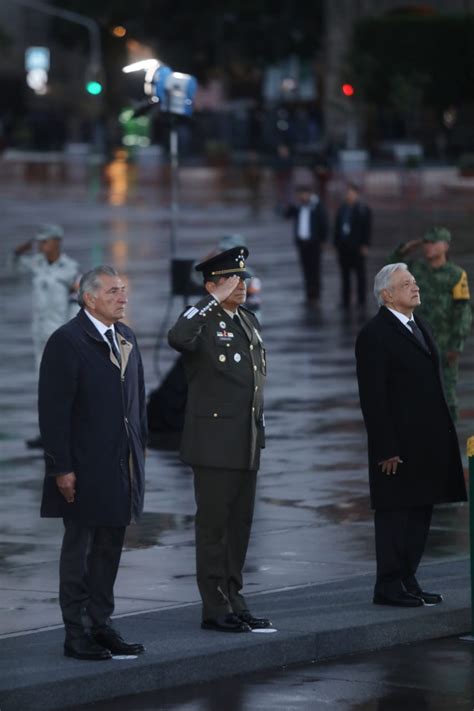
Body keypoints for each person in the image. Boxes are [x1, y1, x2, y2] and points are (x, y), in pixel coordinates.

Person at [38, 265, 147, 660]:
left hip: (120, 466)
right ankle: (76, 632)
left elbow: (137, 405)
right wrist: (60, 468)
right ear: (90, 298)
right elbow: (53, 413)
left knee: (109, 549)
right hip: (83, 469)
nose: (123, 297)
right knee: (80, 552)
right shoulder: (67, 341)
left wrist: (140, 451)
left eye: (123, 290)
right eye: (114, 291)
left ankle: (101, 625)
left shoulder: (126, 337)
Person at [168, 246, 271, 633]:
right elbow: (177, 337)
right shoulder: (202, 321)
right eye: (230, 280)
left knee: (240, 526)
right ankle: (215, 606)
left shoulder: (246, 320)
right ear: (212, 285)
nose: (240, 286)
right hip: (213, 443)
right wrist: (209, 301)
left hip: (245, 440)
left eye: (241, 279)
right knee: (213, 529)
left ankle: (234, 596)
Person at [355, 263, 467, 608]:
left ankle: (407, 578)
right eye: (407, 284)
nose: (415, 288)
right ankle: (388, 585)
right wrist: (386, 447)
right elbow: (373, 397)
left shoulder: (421, 326)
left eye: (414, 282)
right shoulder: (375, 334)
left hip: (427, 442)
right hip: (397, 446)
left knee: (420, 513)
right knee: (395, 514)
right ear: (387, 295)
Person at [388, 227, 472, 422]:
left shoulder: (456, 274)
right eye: (425, 243)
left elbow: (463, 313)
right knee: (415, 395)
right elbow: (390, 269)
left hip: (444, 346)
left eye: (433, 243)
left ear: (445, 246)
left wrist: (456, 346)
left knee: (447, 396)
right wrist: (406, 248)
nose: (428, 247)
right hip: (417, 341)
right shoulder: (415, 270)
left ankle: (449, 442)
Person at [12, 224, 80, 448]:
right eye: (39, 242)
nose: (41, 246)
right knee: (44, 387)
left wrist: (71, 334)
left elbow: (76, 302)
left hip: (59, 335)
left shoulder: (70, 268)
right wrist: (18, 251)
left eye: (45, 241)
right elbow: (13, 268)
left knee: (62, 386)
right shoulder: (37, 264)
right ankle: (47, 433)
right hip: (39, 336)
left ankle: (68, 432)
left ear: (57, 242)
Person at [285, 184, 329, 306]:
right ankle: (309, 294)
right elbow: (286, 215)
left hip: (314, 243)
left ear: (309, 194)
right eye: (299, 195)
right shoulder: (298, 207)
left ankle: (316, 294)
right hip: (302, 243)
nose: (302, 197)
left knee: (315, 269)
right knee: (305, 269)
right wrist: (292, 204)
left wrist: (324, 241)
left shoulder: (317, 206)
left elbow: (324, 223)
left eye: (304, 194)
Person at [334, 182, 372, 311]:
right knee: (345, 275)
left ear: (356, 194)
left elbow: (367, 229)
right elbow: (337, 227)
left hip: (357, 247)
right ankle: (345, 300)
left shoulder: (363, 209)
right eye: (347, 192)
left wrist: (365, 244)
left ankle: (362, 300)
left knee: (360, 274)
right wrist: (336, 243)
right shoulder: (342, 209)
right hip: (344, 247)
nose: (348, 195)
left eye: (351, 192)